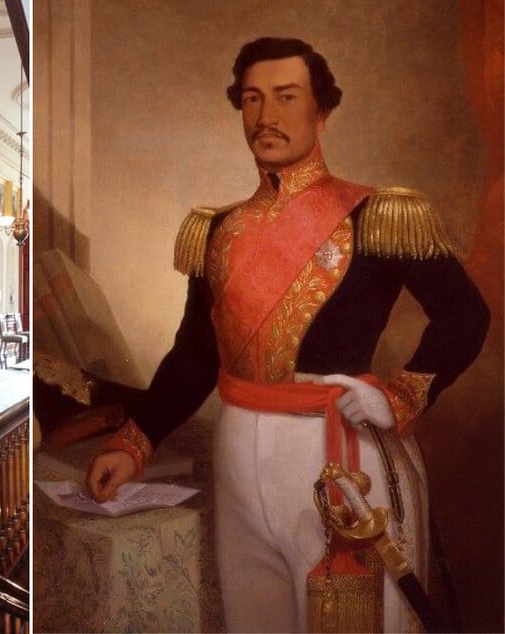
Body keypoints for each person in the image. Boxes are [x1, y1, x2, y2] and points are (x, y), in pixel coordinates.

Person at [85, 37, 489, 633]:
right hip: (239, 458)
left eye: (286, 97)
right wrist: (134, 441)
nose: (266, 117)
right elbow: (196, 355)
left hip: (338, 460)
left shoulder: (377, 215)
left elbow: (465, 315)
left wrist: (400, 396)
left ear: (321, 111)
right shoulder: (216, 230)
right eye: (252, 99)